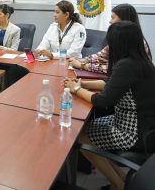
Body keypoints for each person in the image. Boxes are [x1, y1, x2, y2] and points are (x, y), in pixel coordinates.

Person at [64, 21, 155, 189]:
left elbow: (103, 100)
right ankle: (123, 181)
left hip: (133, 131)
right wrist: (82, 83)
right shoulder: (140, 61)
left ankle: (119, 185)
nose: (109, 45)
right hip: (144, 126)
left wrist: (76, 89)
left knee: (81, 136)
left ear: (119, 42)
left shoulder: (126, 65)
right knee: (84, 127)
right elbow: (111, 83)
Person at [68, 3, 151, 74]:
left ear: (124, 20)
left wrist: (82, 65)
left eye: (113, 18)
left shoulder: (134, 42)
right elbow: (100, 56)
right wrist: (78, 60)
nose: (110, 21)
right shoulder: (120, 38)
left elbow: (114, 69)